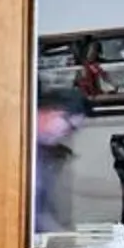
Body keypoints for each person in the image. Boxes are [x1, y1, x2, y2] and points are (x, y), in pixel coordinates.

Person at [34, 87, 90, 234]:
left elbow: (39, 215)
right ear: (51, 111)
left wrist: (69, 241)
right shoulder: (11, 149)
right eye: (70, 126)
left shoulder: (40, 155)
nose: (67, 133)